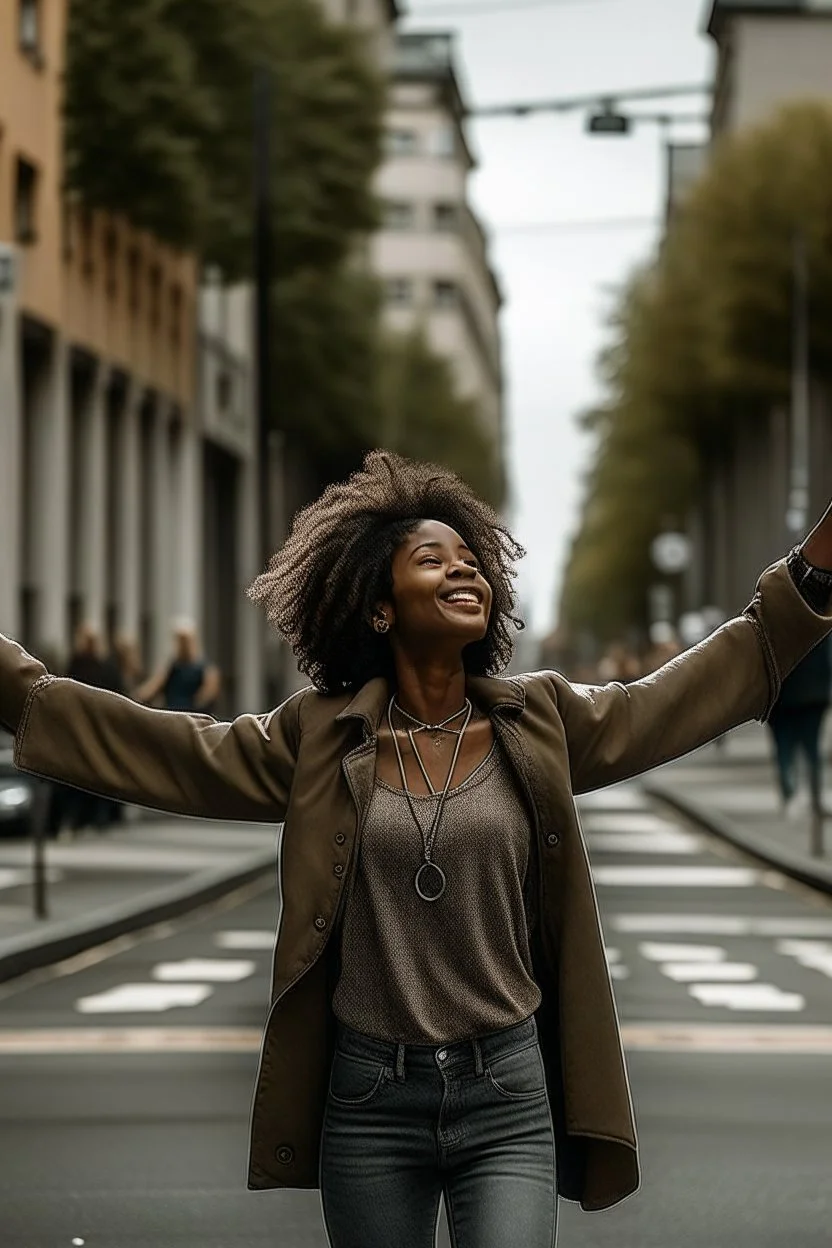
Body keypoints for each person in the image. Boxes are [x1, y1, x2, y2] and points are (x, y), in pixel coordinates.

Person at [2, 450, 832, 1248]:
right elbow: (171, 751)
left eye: (473, 560)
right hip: (369, 1100)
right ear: (379, 606)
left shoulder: (538, 720)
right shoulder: (319, 737)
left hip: (506, 1091)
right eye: (434, 560)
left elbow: (680, 696)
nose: (465, 570)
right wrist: (17, 689)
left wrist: (812, 576)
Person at [55, 622, 125, 833]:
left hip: (95, 727)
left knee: (94, 774)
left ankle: (93, 818)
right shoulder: (78, 663)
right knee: (79, 776)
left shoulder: (104, 667)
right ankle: (78, 819)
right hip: (80, 727)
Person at [767, 634, 832, 817]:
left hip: (785, 698)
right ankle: (815, 798)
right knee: (811, 749)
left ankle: (791, 796)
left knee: (785, 747)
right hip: (813, 696)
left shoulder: (781, 623)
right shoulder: (823, 621)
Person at [133, 619, 221, 713]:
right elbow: (151, 689)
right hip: (172, 714)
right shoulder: (171, 668)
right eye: (180, 641)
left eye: (186, 641)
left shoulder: (205, 669)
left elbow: (208, 694)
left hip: (194, 716)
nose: (183, 645)